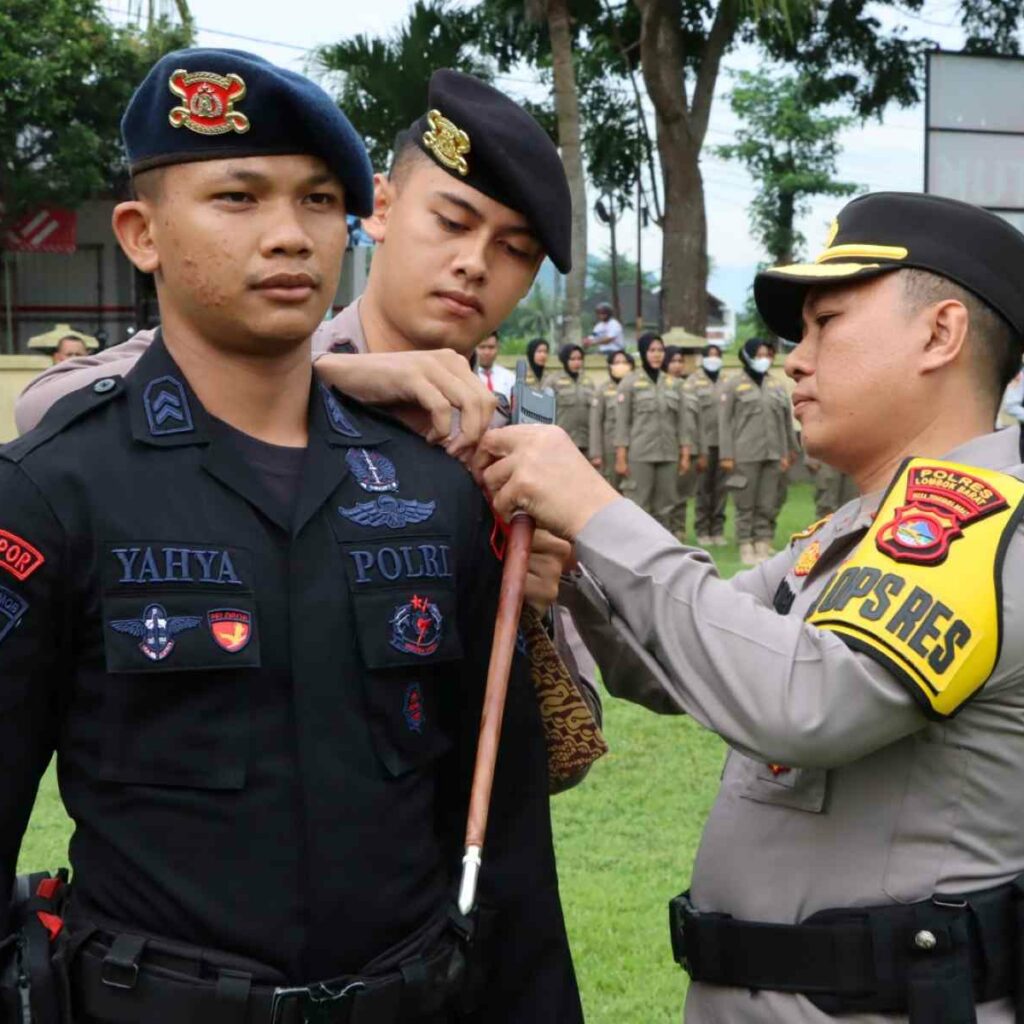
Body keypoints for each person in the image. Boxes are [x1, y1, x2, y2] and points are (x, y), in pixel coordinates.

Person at [0, 49, 584, 1024]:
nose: (288, 234)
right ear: (142, 235)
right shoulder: (54, 492)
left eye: (318, 201)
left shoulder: (436, 492)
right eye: (238, 197)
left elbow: (512, 844)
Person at [481, 190, 1024, 1024]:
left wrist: (595, 510)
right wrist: (579, 565)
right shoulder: (857, 528)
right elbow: (670, 661)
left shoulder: (980, 523)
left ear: (940, 334)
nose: (797, 360)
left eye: (827, 323)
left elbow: (801, 700)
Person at [16, 71, 603, 776]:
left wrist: (541, 596)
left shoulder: (512, 447)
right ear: (380, 208)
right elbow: (52, 404)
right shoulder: (256, 336)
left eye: (515, 250)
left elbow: (568, 749)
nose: (473, 265)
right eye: (451, 223)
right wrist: (328, 375)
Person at [718, 336, 799, 564]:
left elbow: (786, 421)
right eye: (759, 355)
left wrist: (790, 449)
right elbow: (724, 422)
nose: (764, 359)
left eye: (767, 355)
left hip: (774, 453)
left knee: (768, 502)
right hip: (745, 454)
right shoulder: (734, 385)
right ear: (747, 356)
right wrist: (726, 454)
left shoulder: (776, 385)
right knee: (745, 503)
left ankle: (763, 543)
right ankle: (746, 545)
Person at [614, 332, 686, 532]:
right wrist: (621, 456)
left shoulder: (674, 384)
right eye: (652, 350)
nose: (657, 354)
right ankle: (637, 545)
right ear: (643, 352)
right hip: (640, 454)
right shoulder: (629, 383)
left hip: (668, 453)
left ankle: (663, 546)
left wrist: (685, 452)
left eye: (660, 350)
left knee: (666, 505)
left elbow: (682, 422)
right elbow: (622, 423)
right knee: (638, 505)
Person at [683, 343, 728, 545]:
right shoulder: (692, 382)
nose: (713, 359)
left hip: (724, 444)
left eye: (717, 355)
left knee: (721, 490)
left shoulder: (727, 381)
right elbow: (689, 417)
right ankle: (702, 530)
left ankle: (717, 530)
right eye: (709, 355)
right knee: (703, 489)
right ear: (702, 359)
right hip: (703, 444)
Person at [589, 350, 634, 489]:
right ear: (610, 366)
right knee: (612, 489)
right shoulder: (602, 390)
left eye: (624, 362)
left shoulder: (637, 387)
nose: (621, 365)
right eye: (617, 362)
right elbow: (595, 423)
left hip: (636, 447)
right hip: (610, 448)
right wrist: (596, 453)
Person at [663, 344, 693, 536]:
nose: (677, 365)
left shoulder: (689, 386)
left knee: (681, 493)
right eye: (673, 361)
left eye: (680, 361)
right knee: (667, 494)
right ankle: (667, 531)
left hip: (688, 447)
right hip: (668, 448)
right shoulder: (662, 386)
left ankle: (679, 530)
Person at [548, 343, 593, 452]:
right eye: (572, 359)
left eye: (579, 359)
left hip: (585, 441)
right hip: (561, 441)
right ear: (564, 360)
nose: (576, 362)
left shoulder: (588, 381)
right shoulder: (553, 381)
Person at [474, 331, 515, 400]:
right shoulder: (467, 376)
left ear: (498, 348)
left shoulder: (510, 377)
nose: (487, 352)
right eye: (482, 347)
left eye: (491, 347)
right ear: (474, 348)